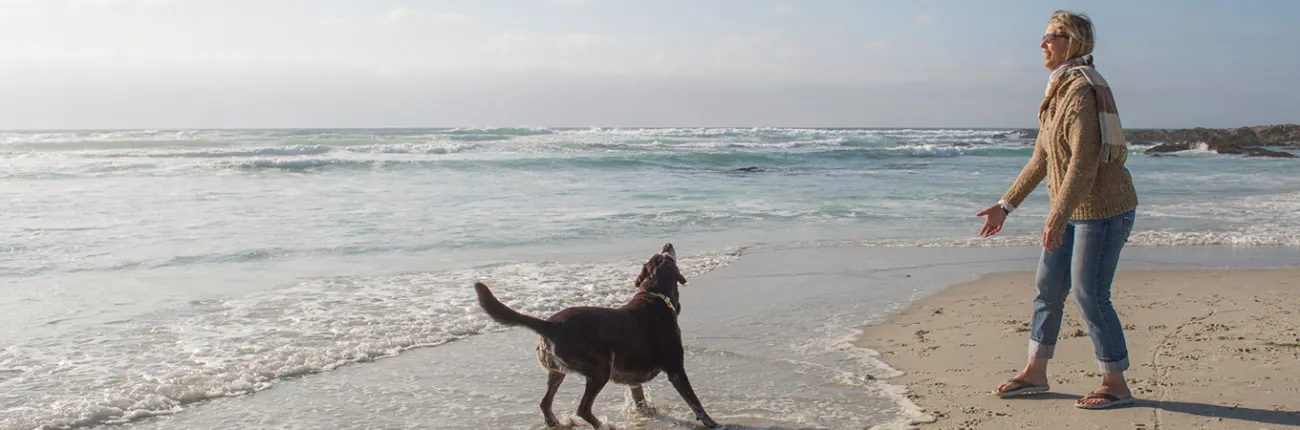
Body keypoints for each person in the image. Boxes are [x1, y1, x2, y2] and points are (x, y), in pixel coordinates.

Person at [976, 10, 1139, 410]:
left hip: (1103, 209)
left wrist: (1056, 216)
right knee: (1047, 290)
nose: (1043, 43)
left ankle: (1115, 383)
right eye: (1045, 36)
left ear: (1073, 42)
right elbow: (1040, 161)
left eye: (1052, 36)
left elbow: (1083, 164)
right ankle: (1035, 372)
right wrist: (1004, 205)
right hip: (1070, 210)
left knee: (1090, 295)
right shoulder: (1058, 92)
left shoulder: (1083, 91)